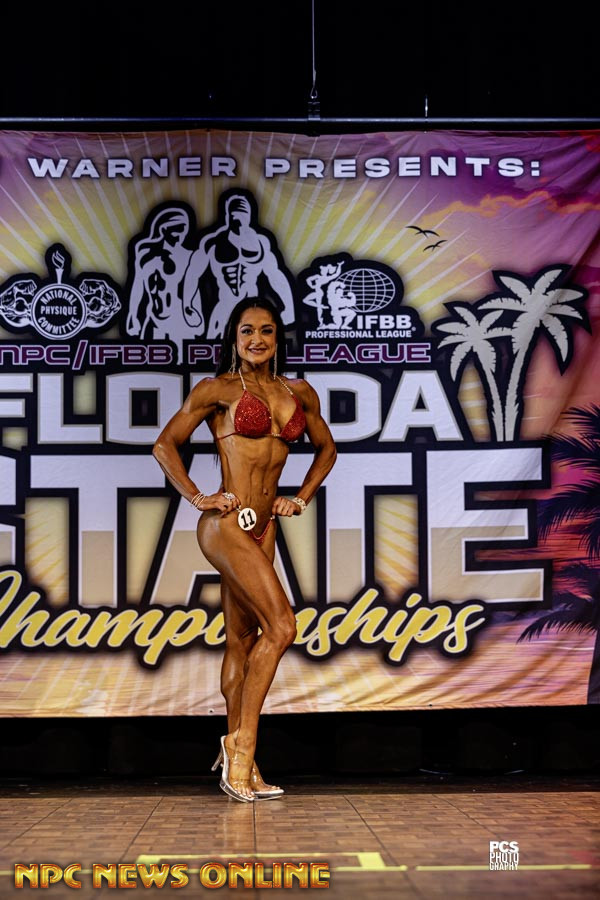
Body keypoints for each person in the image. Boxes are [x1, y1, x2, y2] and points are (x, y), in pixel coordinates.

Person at [153, 297, 337, 801]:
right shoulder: (217, 389)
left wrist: (300, 497)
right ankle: (242, 745)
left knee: (243, 640)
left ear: (278, 338)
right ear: (234, 338)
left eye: (267, 331)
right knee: (283, 626)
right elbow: (164, 445)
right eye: (247, 330)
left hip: (265, 528)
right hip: (226, 525)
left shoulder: (299, 392)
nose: (257, 339)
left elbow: (327, 449)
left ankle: (244, 762)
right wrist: (198, 497)